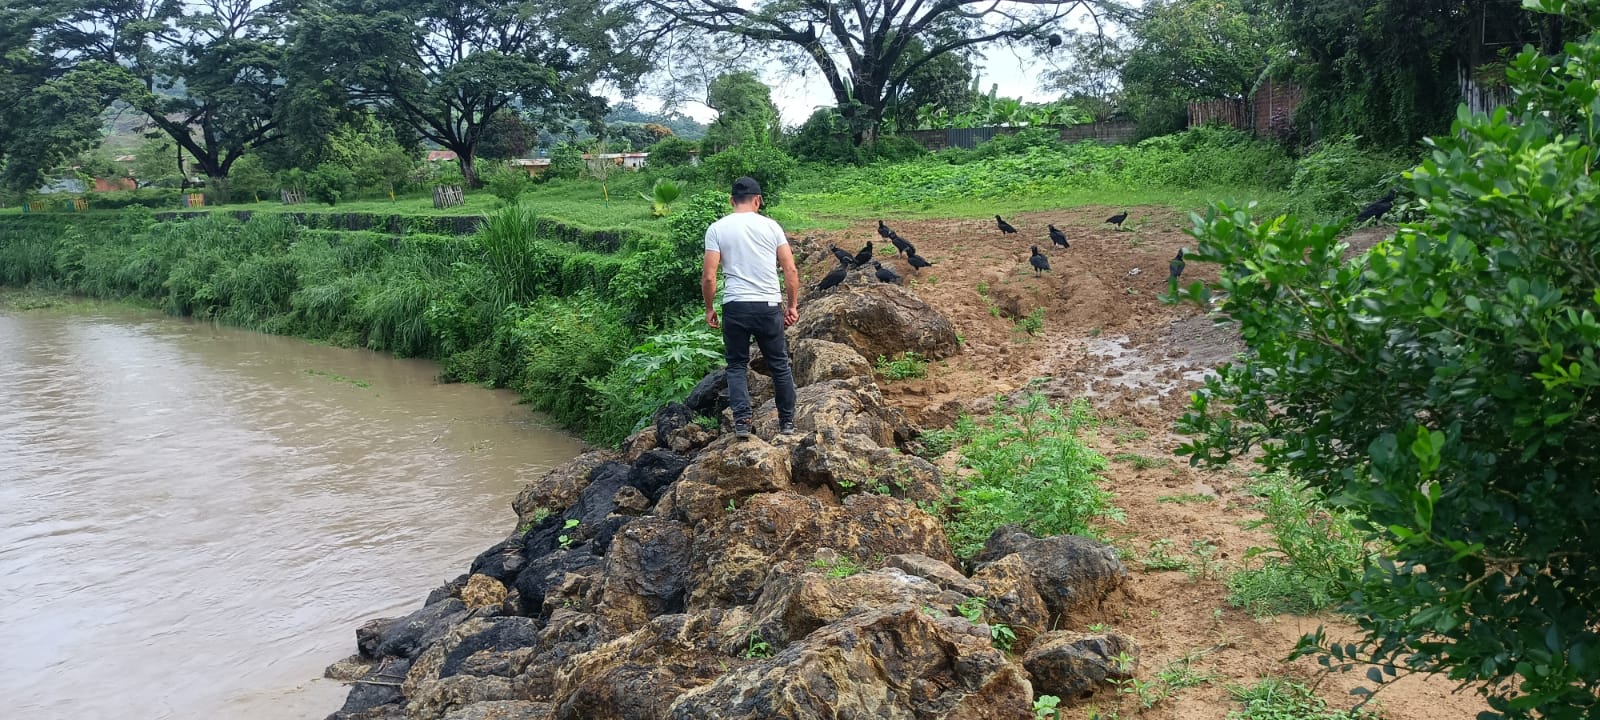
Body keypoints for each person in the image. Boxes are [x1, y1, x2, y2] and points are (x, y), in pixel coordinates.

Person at [701, 176, 799, 438]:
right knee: (779, 364)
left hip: (735, 306)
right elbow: (790, 269)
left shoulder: (717, 229)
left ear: (731, 200)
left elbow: (709, 276)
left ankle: (742, 423)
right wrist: (792, 306)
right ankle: (787, 423)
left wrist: (709, 308)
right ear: (758, 201)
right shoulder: (772, 227)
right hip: (768, 305)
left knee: (736, 366)